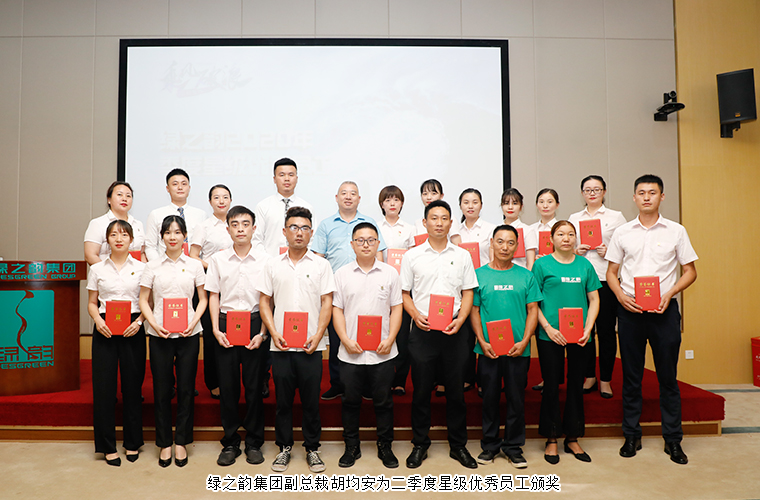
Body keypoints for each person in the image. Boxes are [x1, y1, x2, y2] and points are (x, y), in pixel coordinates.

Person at [605, 174, 697, 465]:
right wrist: (620, 296)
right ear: (634, 197)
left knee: (668, 377)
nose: (646, 197)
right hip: (630, 311)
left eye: (652, 192)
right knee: (631, 377)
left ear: (661, 197)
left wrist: (670, 293)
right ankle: (631, 435)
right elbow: (611, 272)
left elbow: (690, 271)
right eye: (641, 193)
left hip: (663, 312)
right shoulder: (623, 232)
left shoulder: (676, 231)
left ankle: (673, 439)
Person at [400, 200, 479, 470]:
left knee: (456, 392)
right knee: (421, 391)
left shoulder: (463, 255)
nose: (439, 223)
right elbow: (404, 294)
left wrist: (461, 320)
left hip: (454, 330)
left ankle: (458, 446)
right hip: (423, 331)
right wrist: (415, 315)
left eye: (444, 218)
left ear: (451, 223)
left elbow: (468, 292)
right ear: (425, 222)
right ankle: (420, 444)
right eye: (434, 218)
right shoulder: (412, 256)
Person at [258, 206, 335, 473]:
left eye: (304, 228)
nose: (299, 233)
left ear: (311, 233)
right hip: (280, 345)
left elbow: (327, 303)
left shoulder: (322, 265)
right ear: (284, 231)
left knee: (311, 401)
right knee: (283, 401)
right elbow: (264, 301)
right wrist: (273, 332)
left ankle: (312, 448)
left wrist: (319, 334)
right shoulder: (272, 264)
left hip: (311, 345)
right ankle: (284, 448)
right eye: (293, 227)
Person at [469, 225, 542, 468]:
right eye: (500, 241)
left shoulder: (526, 276)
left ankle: (513, 446)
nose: (505, 247)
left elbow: (533, 310)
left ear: (517, 246)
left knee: (516, 399)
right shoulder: (478, 275)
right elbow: (474, 310)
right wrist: (481, 340)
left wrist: (525, 341)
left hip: (518, 349)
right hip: (488, 349)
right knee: (489, 398)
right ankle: (490, 445)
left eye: (511, 242)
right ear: (491, 243)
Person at [333, 222, 403, 469]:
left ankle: (385, 446)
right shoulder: (341, 274)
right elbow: (337, 310)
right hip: (350, 352)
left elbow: (397, 308)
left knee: (383, 402)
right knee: (350, 402)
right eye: (360, 240)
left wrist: (390, 338)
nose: (365, 245)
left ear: (378, 244)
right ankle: (351, 446)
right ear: (352, 244)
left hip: (382, 352)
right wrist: (345, 339)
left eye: (371, 240)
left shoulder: (390, 273)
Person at [139, 215, 207, 468]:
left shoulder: (195, 265)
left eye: (177, 232)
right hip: (160, 335)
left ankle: (181, 441)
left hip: (189, 334)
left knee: (187, 388)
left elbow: (203, 298)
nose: (173, 237)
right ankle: (164, 442)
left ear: (185, 236)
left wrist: (194, 321)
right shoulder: (152, 266)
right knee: (162, 389)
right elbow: (143, 299)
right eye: (168, 232)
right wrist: (153, 324)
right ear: (162, 237)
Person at [205, 205, 270, 467]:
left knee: (254, 387)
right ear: (228, 228)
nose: (240, 229)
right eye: (235, 224)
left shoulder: (265, 259)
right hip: (226, 323)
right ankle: (230, 442)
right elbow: (213, 295)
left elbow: (268, 299)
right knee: (228, 387)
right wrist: (215, 329)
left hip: (255, 322)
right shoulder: (218, 260)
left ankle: (254, 442)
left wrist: (263, 332)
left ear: (254, 228)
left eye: (245, 224)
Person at [532, 220, 600, 465]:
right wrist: (548, 328)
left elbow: (594, 299)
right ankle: (551, 437)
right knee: (551, 385)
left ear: (576, 238)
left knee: (575, 385)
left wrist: (588, 328)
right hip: (550, 334)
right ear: (552, 239)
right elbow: (533, 302)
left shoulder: (585, 265)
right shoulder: (541, 265)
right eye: (560, 234)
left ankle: (572, 436)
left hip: (579, 335)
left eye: (571, 234)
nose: (566, 238)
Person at [312, 181, 387, 401]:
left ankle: (365, 385)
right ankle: (338, 384)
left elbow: (379, 254)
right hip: (337, 289)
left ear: (359, 199)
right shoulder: (326, 225)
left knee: (367, 333)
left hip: (367, 287)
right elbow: (318, 258)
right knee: (338, 337)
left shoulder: (369, 223)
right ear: (336, 198)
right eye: (343, 193)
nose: (348, 197)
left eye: (353, 193)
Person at [86, 220, 146, 466]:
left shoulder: (143, 268)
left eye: (123, 235)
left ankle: (132, 442)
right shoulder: (98, 269)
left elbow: (148, 302)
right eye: (113, 235)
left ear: (132, 240)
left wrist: (139, 322)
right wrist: (98, 321)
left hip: (133, 327)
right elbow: (92, 302)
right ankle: (107, 446)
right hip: (105, 328)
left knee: (132, 387)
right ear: (107, 240)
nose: (119, 239)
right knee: (104, 389)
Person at [568, 175, 627, 398]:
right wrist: (576, 251)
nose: (592, 193)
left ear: (604, 192)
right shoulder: (574, 218)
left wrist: (609, 252)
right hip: (580, 281)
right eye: (588, 190)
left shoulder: (616, 217)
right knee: (585, 331)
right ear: (582, 193)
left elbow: (625, 247)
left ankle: (605, 380)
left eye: (597, 189)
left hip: (605, 280)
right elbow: (565, 246)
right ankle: (589, 376)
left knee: (606, 331)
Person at [450, 188, 496, 393]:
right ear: (460, 206)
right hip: (463, 287)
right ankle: (468, 377)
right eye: (466, 202)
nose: (470, 206)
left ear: (481, 205)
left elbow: (494, 258)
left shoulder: (490, 229)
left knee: (486, 330)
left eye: (475, 202)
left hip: (485, 284)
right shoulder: (454, 232)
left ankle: (487, 378)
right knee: (466, 335)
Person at [190, 184, 234, 400]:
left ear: (231, 200)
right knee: (211, 333)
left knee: (232, 331)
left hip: (233, 283)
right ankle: (213, 381)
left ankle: (231, 380)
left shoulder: (236, 224)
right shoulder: (204, 226)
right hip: (210, 282)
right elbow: (193, 256)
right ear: (210, 202)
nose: (221, 201)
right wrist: (214, 266)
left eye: (225, 197)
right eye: (216, 197)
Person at [377, 185, 415, 396]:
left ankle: (399, 380)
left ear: (401, 203)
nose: (392, 203)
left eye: (396, 200)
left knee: (401, 336)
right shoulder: (375, 226)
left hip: (402, 289)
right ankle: (382, 379)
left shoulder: (409, 229)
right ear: (381, 204)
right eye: (388, 200)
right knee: (381, 331)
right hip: (380, 286)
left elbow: (413, 258)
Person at [527, 188, 560, 393]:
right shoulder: (530, 229)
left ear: (557, 204)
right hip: (540, 281)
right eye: (541, 201)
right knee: (542, 330)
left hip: (558, 283)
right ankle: (547, 377)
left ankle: (557, 378)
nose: (545, 205)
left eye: (550, 201)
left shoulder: (563, 226)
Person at [252, 157, 314, 256]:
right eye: (282, 175)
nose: (287, 179)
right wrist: (269, 261)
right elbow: (256, 239)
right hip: (270, 261)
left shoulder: (307, 207)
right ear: (274, 179)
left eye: (291, 175)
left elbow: (311, 239)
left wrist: (303, 260)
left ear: (296, 178)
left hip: (300, 261)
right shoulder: (263, 206)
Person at [144, 168, 206, 262]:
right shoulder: (156, 214)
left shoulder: (201, 215)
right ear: (167, 188)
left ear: (189, 188)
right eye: (175, 184)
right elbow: (150, 246)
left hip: (194, 266)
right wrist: (160, 265)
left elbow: (204, 247)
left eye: (184, 184)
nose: (180, 187)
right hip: (164, 265)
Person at [84, 181, 145, 265]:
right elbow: (90, 256)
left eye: (128, 196)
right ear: (109, 200)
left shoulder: (138, 224)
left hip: (134, 272)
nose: (124, 199)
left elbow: (142, 253)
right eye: (119, 195)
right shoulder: (98, 223)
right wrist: (110, 271)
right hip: (106, 272)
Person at [500, 188, 537, 270]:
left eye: (514, 203)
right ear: (502, 206)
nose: (510, 207)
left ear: (521, 207)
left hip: (521, 274)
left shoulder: (528, 230)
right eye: (506, 203)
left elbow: (530, 263)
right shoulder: (495, 230)